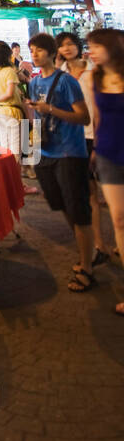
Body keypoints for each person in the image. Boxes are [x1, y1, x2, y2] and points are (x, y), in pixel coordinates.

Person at [26, 33, 93, 293]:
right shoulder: (33, 83)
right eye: (32, 50)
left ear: (51, 53)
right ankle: (83, 254)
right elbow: (34, 117)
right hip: (45, 152)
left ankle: (87, 268)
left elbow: (83, 118)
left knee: (79, 210)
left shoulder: (66, 82)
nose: (34, 54)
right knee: (61, 204)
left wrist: (50, 110)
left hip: (69, 152)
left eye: (40, 50)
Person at [58, 32, 115, 267]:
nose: (67, 48)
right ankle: (100, 244)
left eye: (71, 43)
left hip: (97, 137)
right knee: (89, 193)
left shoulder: (95, 70)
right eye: (62, 46)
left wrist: (100, 140)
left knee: (112, 194)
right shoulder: (60, 75)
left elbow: (101, 108)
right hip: (73, 140)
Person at [84, 28, 124, 315]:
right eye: (90, 47)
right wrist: (96, 149)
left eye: (96, 46)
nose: (91, 51)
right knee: (119, 220)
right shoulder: (95, 78)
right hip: (109, 154)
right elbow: (98, 117)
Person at [0, 40, 27, 168]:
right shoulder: (9, 71)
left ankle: (7, 184)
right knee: (15, 152)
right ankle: (17, 184)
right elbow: (10, 93)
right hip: (11, 112)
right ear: (8, 55)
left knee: (4, 149)